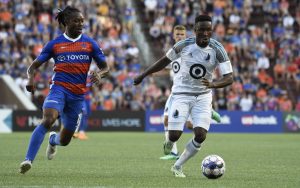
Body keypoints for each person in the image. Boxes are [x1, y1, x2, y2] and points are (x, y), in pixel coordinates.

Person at [134, 15, 233, 177]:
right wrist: (143, 75)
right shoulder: (183, 45)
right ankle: (169, 142)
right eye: (201, 29)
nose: (205, 33)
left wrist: (213, 85)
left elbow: (229, 78)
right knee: (174, 135)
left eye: (208, 30)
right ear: (195, 31)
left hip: (203, 96)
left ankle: (178, 166)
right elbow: (163, 61)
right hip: (181, 94)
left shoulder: (218, 49)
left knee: (200, 135)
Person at [19, 6, 109, 174]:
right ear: (66, 22)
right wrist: (30, 79)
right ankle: (27, 160)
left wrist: (100, 74)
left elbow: (105, 67)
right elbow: (33, 67)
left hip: (77, 96)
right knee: (48, 119)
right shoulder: (55, 44)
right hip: (58, 89)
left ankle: (53, 140)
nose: (81, 24)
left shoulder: (90, 44)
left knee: (65, 140)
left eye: (82, 21)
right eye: (77, 21)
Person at [159, 25, 222, 161]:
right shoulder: (173, 52)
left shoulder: (189, 50)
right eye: (177, 34)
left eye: (182, 34)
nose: (180, 36)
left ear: (186, 35)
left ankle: (208, 113)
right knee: (166, 120)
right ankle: (174, 152)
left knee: (186, 125)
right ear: (173, 35)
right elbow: (168, 67)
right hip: (177, 90)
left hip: (188, 93)